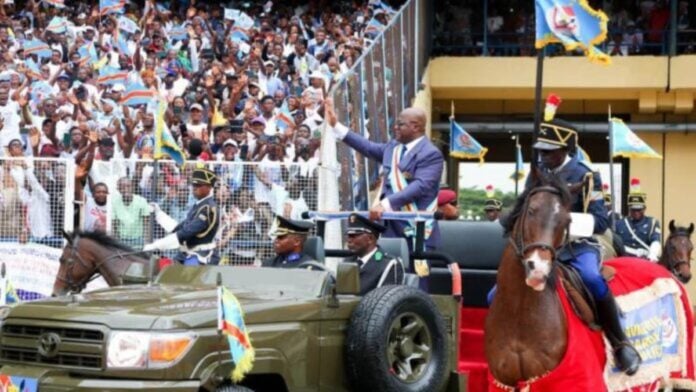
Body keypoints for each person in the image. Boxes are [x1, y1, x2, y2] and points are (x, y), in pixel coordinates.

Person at [529, 117, 641, 375]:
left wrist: (563, 223)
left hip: (575, 246)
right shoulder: (537, 173)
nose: (542, 155)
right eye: (541, 150)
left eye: (549, 151)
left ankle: (620, 343)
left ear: (565, 149)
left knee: (592, 278)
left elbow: (601, 220)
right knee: (496, 292)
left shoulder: (586, 174)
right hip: (539, 247)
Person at [325, 98, 444, 253]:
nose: (395, 127)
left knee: (414, 277)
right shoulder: (394, 147)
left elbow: (420, 186)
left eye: (400, 124)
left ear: (415, 126)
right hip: (389, 229)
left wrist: (386, 204)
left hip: (417, 231)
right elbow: (367, 147)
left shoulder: (431, 154)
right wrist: (336, 125)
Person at [144, 167, 221, 265]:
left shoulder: (207, 208)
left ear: (209, 187)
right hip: (188, 253)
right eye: (193, 185)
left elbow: (186, 233)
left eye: (198, 185)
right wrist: (159, 214)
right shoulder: (199, 205)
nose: (194, 188)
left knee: (184, 278)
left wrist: (157, 245)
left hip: (201, 255)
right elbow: (179, 228)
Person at [343, 213, 405, 294]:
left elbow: (386, 302)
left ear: (370, 239)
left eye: (353, 235)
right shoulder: (348, 261)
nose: (349, 240)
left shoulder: (389, 265)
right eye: (348, 236)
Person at [615, 178, 661, 261]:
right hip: (625, 261)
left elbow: (656, 241)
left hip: (645, 260)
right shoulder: (619, 224)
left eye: (639, 210)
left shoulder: (652, 223)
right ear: (629, 209)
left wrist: (652, 255)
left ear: (644, 209)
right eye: (633, 210)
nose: (636, 212)